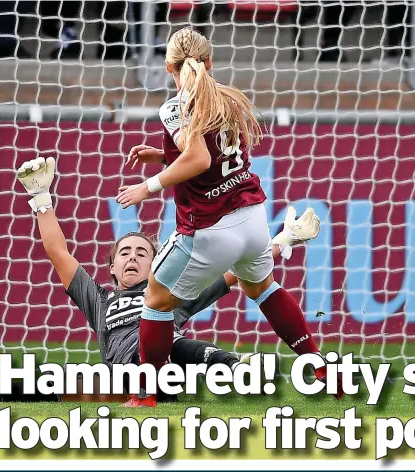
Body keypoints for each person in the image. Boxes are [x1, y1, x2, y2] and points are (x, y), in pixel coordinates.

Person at [115, 27, 341, 407]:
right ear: (210, 62)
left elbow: (200, 159)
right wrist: (164, 153)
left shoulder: (175, 106)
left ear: (168, 65)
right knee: (262, 288)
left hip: (207, 228)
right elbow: (211, 155)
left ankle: (145, 395)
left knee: (154, 302)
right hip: (251, 217)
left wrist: (148, 185)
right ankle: (318, 365)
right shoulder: (226, 98)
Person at [0, 156, 320, 407]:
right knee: (60, 381)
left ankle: (236, 367)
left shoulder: (169, 294)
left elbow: (239, 271)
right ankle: (0, 396)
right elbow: (58, 252)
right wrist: (41, 197)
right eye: (125, 252)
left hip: (165, 370)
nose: (133, 257)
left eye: (142, 252)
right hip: (119, 375)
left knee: (177, 345)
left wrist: (285, 240)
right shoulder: (99, 299)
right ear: (111, 266)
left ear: (156, 265)